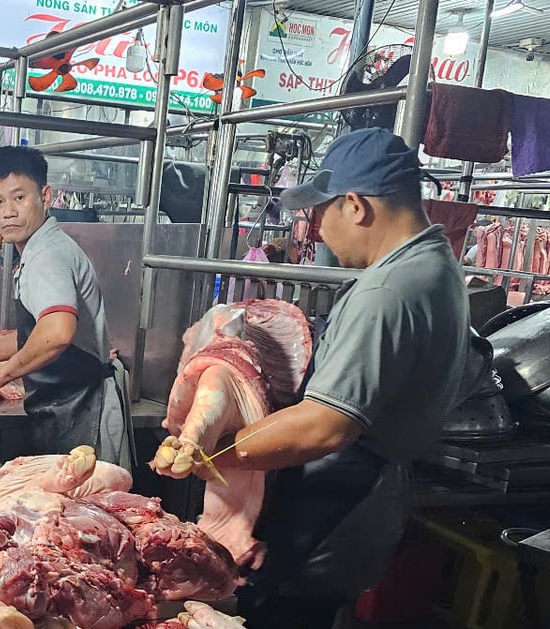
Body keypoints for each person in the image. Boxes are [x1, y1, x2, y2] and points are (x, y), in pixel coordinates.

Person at [191, 129, 468, 628]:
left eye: (320, 214)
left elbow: (325, 426)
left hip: (336, 504)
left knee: (284, 616)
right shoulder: (437, 266)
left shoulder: (389, 289)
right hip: (365, 497)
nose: (315, 232)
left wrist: (211, 454)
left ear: (356, 206)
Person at [0, 146, 129, 466]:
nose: (8, 212)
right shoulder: (38, 248)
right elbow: (33, 333)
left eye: (20, 198)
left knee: (82, 512)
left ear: (45, 196)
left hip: (81, 411)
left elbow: (57, 333)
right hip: (67, 406)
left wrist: (1, 373)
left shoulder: (47, 255)